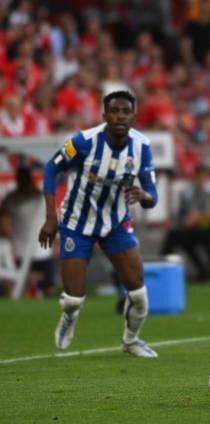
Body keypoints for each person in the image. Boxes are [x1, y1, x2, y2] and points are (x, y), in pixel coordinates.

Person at [39, 90, 159, 358]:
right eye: (114, 111)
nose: (120, 116)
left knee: (139, 294)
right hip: (76, 223)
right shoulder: (84, 142)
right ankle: (69, 317)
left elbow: (153, 195)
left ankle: (131, 340)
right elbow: (51, 168)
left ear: (133, 116)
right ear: (104, 116)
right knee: (73, 299)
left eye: (125, 112)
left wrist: (144, 195)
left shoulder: (142, 148)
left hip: (115, 223)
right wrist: (50, 217)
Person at [0, 165, 55, 298]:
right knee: (39, 289)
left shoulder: (15, 199)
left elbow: (4, 226)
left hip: (35, 252)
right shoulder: (42, 197)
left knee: (35, 288)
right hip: (31, 252)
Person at [161, 163, 210, 281]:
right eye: (200, 176)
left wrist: (198, 217)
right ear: (195, 177)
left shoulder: (208, 195)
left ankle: (207, 270)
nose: (202, 180)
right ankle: (164, 266)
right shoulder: (187, 194)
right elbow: (187, 218)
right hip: (191, 229)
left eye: (204, 177)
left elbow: (209, 216)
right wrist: (201, 216)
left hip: (205, 230)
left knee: (203, 239)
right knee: (175, 236)